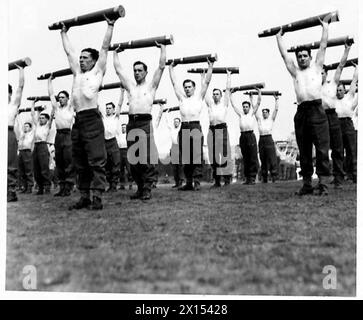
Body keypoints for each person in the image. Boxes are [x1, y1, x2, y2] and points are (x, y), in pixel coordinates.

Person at [60, 16, 118, 210]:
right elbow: (69, 52)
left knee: (96, 160)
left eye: (85, 58)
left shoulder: (98, 72)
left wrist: (110, 25)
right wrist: (63, 32)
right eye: (81, 58)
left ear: (94, 62)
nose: (82, 60)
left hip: (92, 118)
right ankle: (84, 196)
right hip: (78, 121)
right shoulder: (77, 74)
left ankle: (97, 197)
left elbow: (104, 47)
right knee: (80, 160)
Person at [276, 18, 331, 195]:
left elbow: (323, 46)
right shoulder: (295, 72)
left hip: (317, 110)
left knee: (322, 149)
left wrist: (325, 27)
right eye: (299, 56)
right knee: (304, 149)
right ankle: (307, 184)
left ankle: (323, 184)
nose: (301, 58)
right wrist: (279, 38)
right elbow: (285, 56)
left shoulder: (317, 68)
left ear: (310, 57)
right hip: (302, 112)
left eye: (304, 56)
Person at [113, 42, 166, 200]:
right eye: (135, 70)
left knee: (145, 157)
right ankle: (140, 187)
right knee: (133, 158)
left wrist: (163, 48)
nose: (136, 73)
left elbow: (161, 67)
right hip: (131, 123)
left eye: (139, 70)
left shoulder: (151, 87)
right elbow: (118, 70)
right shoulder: (130, 87)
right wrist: (115, 53)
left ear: (145, 72)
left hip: (144, 123)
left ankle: (148, 187)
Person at [169, 59, 214, 191]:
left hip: (195, 127)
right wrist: (171, 69)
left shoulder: (199, 97)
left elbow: (206, 82)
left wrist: (210, 66)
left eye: (190, 87)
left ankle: (197, 182)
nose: (187, 89)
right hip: (184, 128)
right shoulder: (181, 99)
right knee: (186, 156)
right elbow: (174, 83)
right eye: (186, 87)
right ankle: (188, 182)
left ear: (194, 88)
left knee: (196, 155)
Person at [321, 42, 352, 188]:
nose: (320, 75)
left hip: (333, 117)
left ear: (326, 73)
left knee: (338, 148)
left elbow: (340, 66)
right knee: (323, 149)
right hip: (320, 117)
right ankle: (323, 180)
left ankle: (338, 178)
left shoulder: (332, 84)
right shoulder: (314, 88)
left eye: (323, 72)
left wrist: (347, 49)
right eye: (318, 73)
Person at [48, 77, 75, 196]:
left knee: (68, 160)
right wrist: (49, 81)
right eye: (59, 98)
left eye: (63, 97)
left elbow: (74, 91)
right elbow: (50, 94)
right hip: (58, 136)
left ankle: (69, 187)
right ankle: (62, 187)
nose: (60, 99)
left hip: (68, 135)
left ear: (68, 99)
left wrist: (74, 76)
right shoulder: (56, 109)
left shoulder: (70, 108)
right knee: (59, 161)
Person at [205, 71, 232, 188]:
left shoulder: (224, 104)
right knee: (213, 156)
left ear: (221, 96)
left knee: (224, 154)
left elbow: (228, 89)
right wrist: (202, 77)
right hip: (212, 130)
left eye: (217, 94)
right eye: (214, 94)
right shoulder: (210, 105)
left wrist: (228, 76)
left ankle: (226, 179)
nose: (215, 95)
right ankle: (216, 181)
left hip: (222, 129)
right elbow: (204, 91)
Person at [230, 89, 261, 185]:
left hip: (250, 136)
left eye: (247, 107)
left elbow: (258, 103)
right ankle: (247, 178)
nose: (245, 108)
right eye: (244, 107)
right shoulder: (241, 115)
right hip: (243, 136)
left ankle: (252, 177)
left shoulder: (252, 114)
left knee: (252, 156)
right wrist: (231, 95)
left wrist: (259, 92)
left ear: (249, 107)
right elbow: (233, 105)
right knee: (246, 157)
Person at [335, 65, 358, 183]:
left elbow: (354, 81)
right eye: (337, 90)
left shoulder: (349, 97)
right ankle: (339, 176)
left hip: (348, 124)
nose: (339, 92)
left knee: (351, 151)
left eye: (340, 90)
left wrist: (357, 69)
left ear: (345, 90)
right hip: (337, 125)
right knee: (338, 151)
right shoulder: (333, 101)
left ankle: (353, 175)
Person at [8, 66, 25, 202]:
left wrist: (21, 71)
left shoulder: (13, 105)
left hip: (9, 134)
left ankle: (11, 191)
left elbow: (20, 87)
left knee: (11, 164)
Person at [31, 100, 54, 195]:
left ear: (47, 120)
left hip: (43, 146)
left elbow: (52, 114)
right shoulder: (37, 126)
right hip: (36, 146)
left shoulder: (47, 126)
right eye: (40, 118)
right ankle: (40, 188)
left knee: (44, 167)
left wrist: (53, 103)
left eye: (43, 118)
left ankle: (47, 187)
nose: (40, 119)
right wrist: (33, 104)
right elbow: (33, 115)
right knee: (36, 168)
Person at [255, 93, 279, 183]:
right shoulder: (259, 120)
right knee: (263, 158)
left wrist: (276, 99)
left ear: (269, 114)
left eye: (266, 112)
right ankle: (264, 178)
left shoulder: (271, 120)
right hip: (261, 139)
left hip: (269, 139)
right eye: (263, 112)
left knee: (272, 159)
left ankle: (274, 177)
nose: (264, 114)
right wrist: (251, 98)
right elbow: (255, 110)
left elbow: (276, 110)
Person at [103, 101, 121, 192]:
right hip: (104, 142)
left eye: (110, 108)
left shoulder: (116, 117)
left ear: (113, 110)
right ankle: (110, 185)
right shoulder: (103, 118)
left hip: (113, 141)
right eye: (107, 108)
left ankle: (114, 185)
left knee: (115, 163)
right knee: (107, 165)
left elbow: (119, 104)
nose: (108, 110)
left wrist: (122, 91)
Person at [166, 114, 184, 188]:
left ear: (179, 123)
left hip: (179, 148)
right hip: (173, 148)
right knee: (174, 167)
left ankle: (181, 181)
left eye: (177, 122)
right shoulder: (172, 129)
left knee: (180, 166)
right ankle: (176, 182)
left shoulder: (180, 129)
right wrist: (167, 113)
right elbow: (167, 123)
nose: (175, 123)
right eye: (175, 122)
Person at [17, 122, 34, 194]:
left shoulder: (31, 134)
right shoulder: (21, 134)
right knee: (22, 170)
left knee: (28, 170)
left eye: (27, 126)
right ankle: (24, 187)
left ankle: (30, 187)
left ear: (30, 128)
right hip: (21, 152)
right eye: (24, 126)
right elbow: (18, 124)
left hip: (27, 151)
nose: (25, 128)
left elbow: (35, 124)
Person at [117, 123, 133, 190]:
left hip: (127, 151)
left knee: (129, 169)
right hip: (120, 151)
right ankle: (122, 185)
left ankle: (130, 184)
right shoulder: (119, 136)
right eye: (122, 128)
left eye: (124, 127)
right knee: (121, 170)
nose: (123, 129)